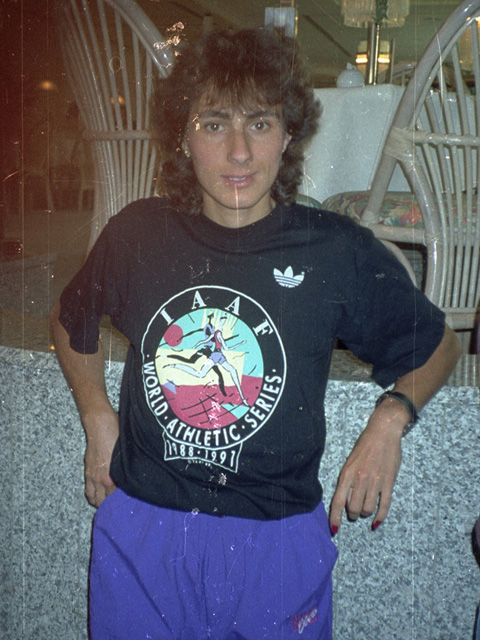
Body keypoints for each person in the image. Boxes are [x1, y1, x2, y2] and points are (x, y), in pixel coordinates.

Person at [50, 27, 462, 640]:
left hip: (278, 540)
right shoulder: (137, 234)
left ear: (289, 134)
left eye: (261, 124)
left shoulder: (333, 249)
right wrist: (95, 415)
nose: (239, 152)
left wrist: (390, 418)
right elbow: (70, 316)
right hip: (143, 527)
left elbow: (439, 346)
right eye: (215, 124)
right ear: (184, 136)